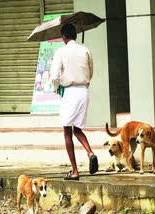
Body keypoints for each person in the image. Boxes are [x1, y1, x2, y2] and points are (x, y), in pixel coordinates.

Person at [50, 23, 98, 180]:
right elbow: (90, 72)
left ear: (63, 37)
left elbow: (55, 76)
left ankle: (75, 171)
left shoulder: (60, 52)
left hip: (70, 92)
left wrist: (56, 88)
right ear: (75, 36)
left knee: (67, 132)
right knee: (77, 129)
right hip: (84, 91)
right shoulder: (85, 50)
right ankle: (90, 152)